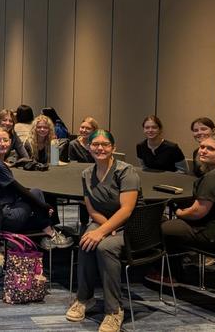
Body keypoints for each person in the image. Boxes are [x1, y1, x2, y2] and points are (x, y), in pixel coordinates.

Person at [66, 129, 141, 332]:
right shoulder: (86, 174)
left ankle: (114, 310)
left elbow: (127, 209)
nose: (100, 148)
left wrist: (104, 231)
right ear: (89, 148)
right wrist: (104, 227)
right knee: (86, 240)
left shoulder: (126, 171)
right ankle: (84, 298)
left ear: (113, 148)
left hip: (130, 225)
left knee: (104, 247)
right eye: (96, 144)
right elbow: (91, 208)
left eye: (105, 144)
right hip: (104, 221)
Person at [152, 134, 215, 285]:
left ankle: (167, 274)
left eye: (210, 149)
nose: (202, 151)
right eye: (202, 147)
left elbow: (198, 213)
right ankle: (175, 270)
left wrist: (179, 212)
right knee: (175, 224)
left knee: (163, 227)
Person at [0, 127, 73, 274]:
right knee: (35, 193)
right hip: (6, 218)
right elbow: (18, 189)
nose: (3, 143)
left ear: (10, 142)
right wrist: (44, 206)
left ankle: (48, 233)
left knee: (34, 197)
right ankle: (51, 234)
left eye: (5, 140)